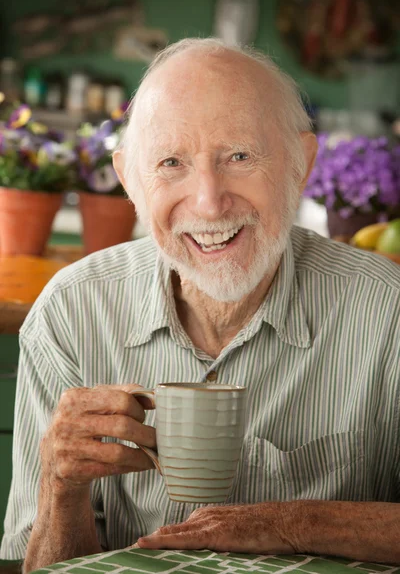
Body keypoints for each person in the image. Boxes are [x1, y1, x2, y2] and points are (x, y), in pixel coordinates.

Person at [1, 38, 399, 571]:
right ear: (130, 181)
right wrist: (58, 484)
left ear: (300, 164)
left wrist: (289, 523)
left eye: (239, 156)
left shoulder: (387, 310)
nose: (209, 201)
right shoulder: (71, 314)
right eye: (171, 162)